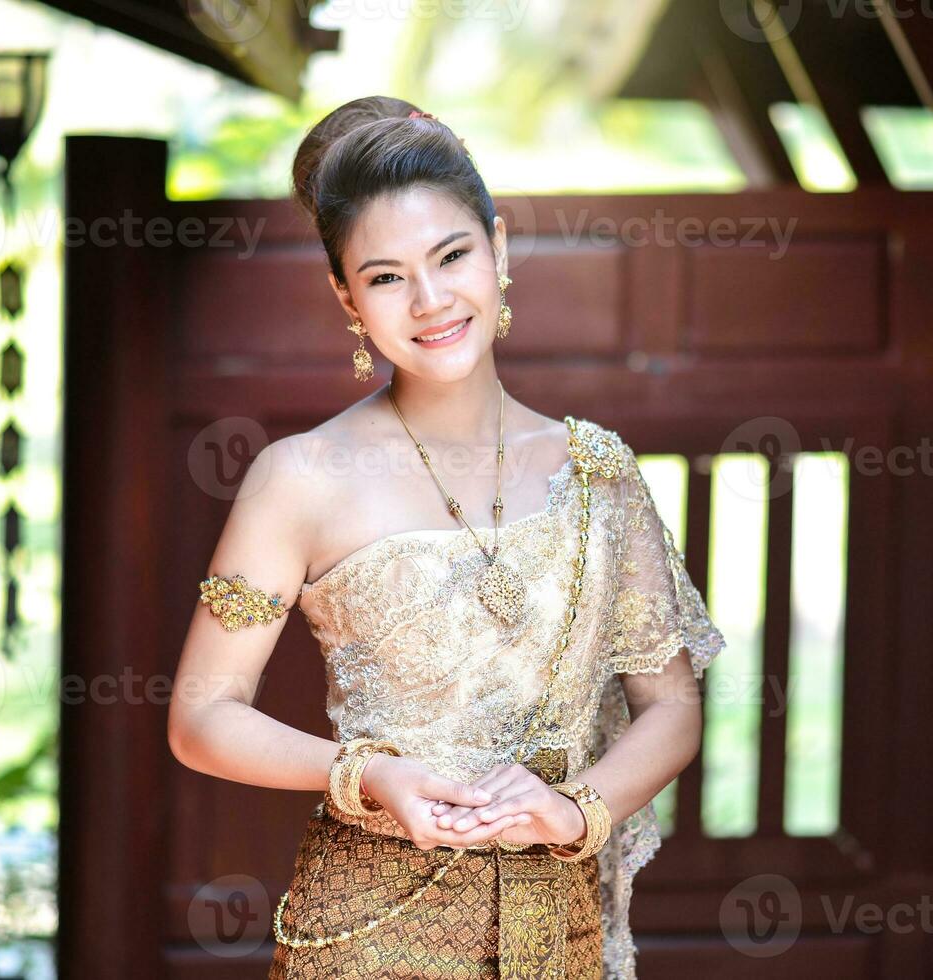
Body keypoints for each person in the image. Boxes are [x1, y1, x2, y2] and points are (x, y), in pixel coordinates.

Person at [166, 95, 725, 980]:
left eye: (452, 255)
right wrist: (367, 775)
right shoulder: (298, 478)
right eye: (386, 277)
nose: (429, 300)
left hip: (560, 935)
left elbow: (673, 708)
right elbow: (202, 716)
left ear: (498, 250)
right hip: (369, 932)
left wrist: (576, 811)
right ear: (347, 297)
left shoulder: (600, 475)